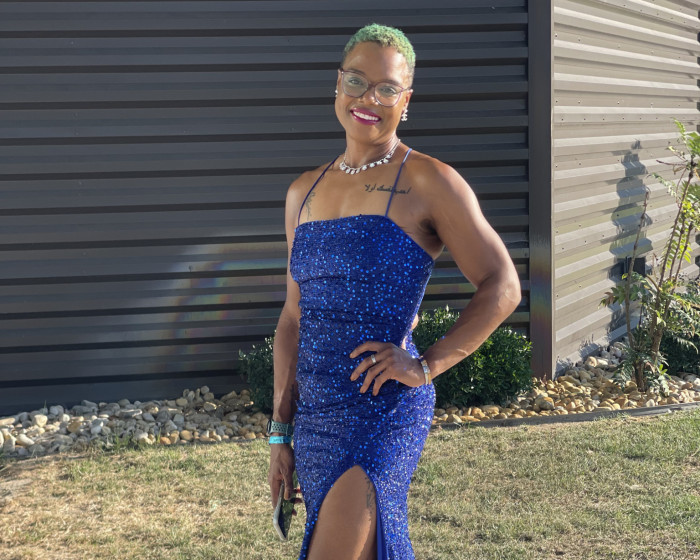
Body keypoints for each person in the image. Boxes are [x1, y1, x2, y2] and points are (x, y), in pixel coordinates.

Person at [267, 23, 521, 560]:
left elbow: (503, 285)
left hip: (380, 410)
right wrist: (279, 433)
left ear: (406, 101)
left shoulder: (429, 181)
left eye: (387, 88)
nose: (368, 99)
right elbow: (292, 317)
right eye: (357, 81)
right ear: (338, 84)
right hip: (315, 419)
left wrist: (426, 365)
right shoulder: (302, 191)